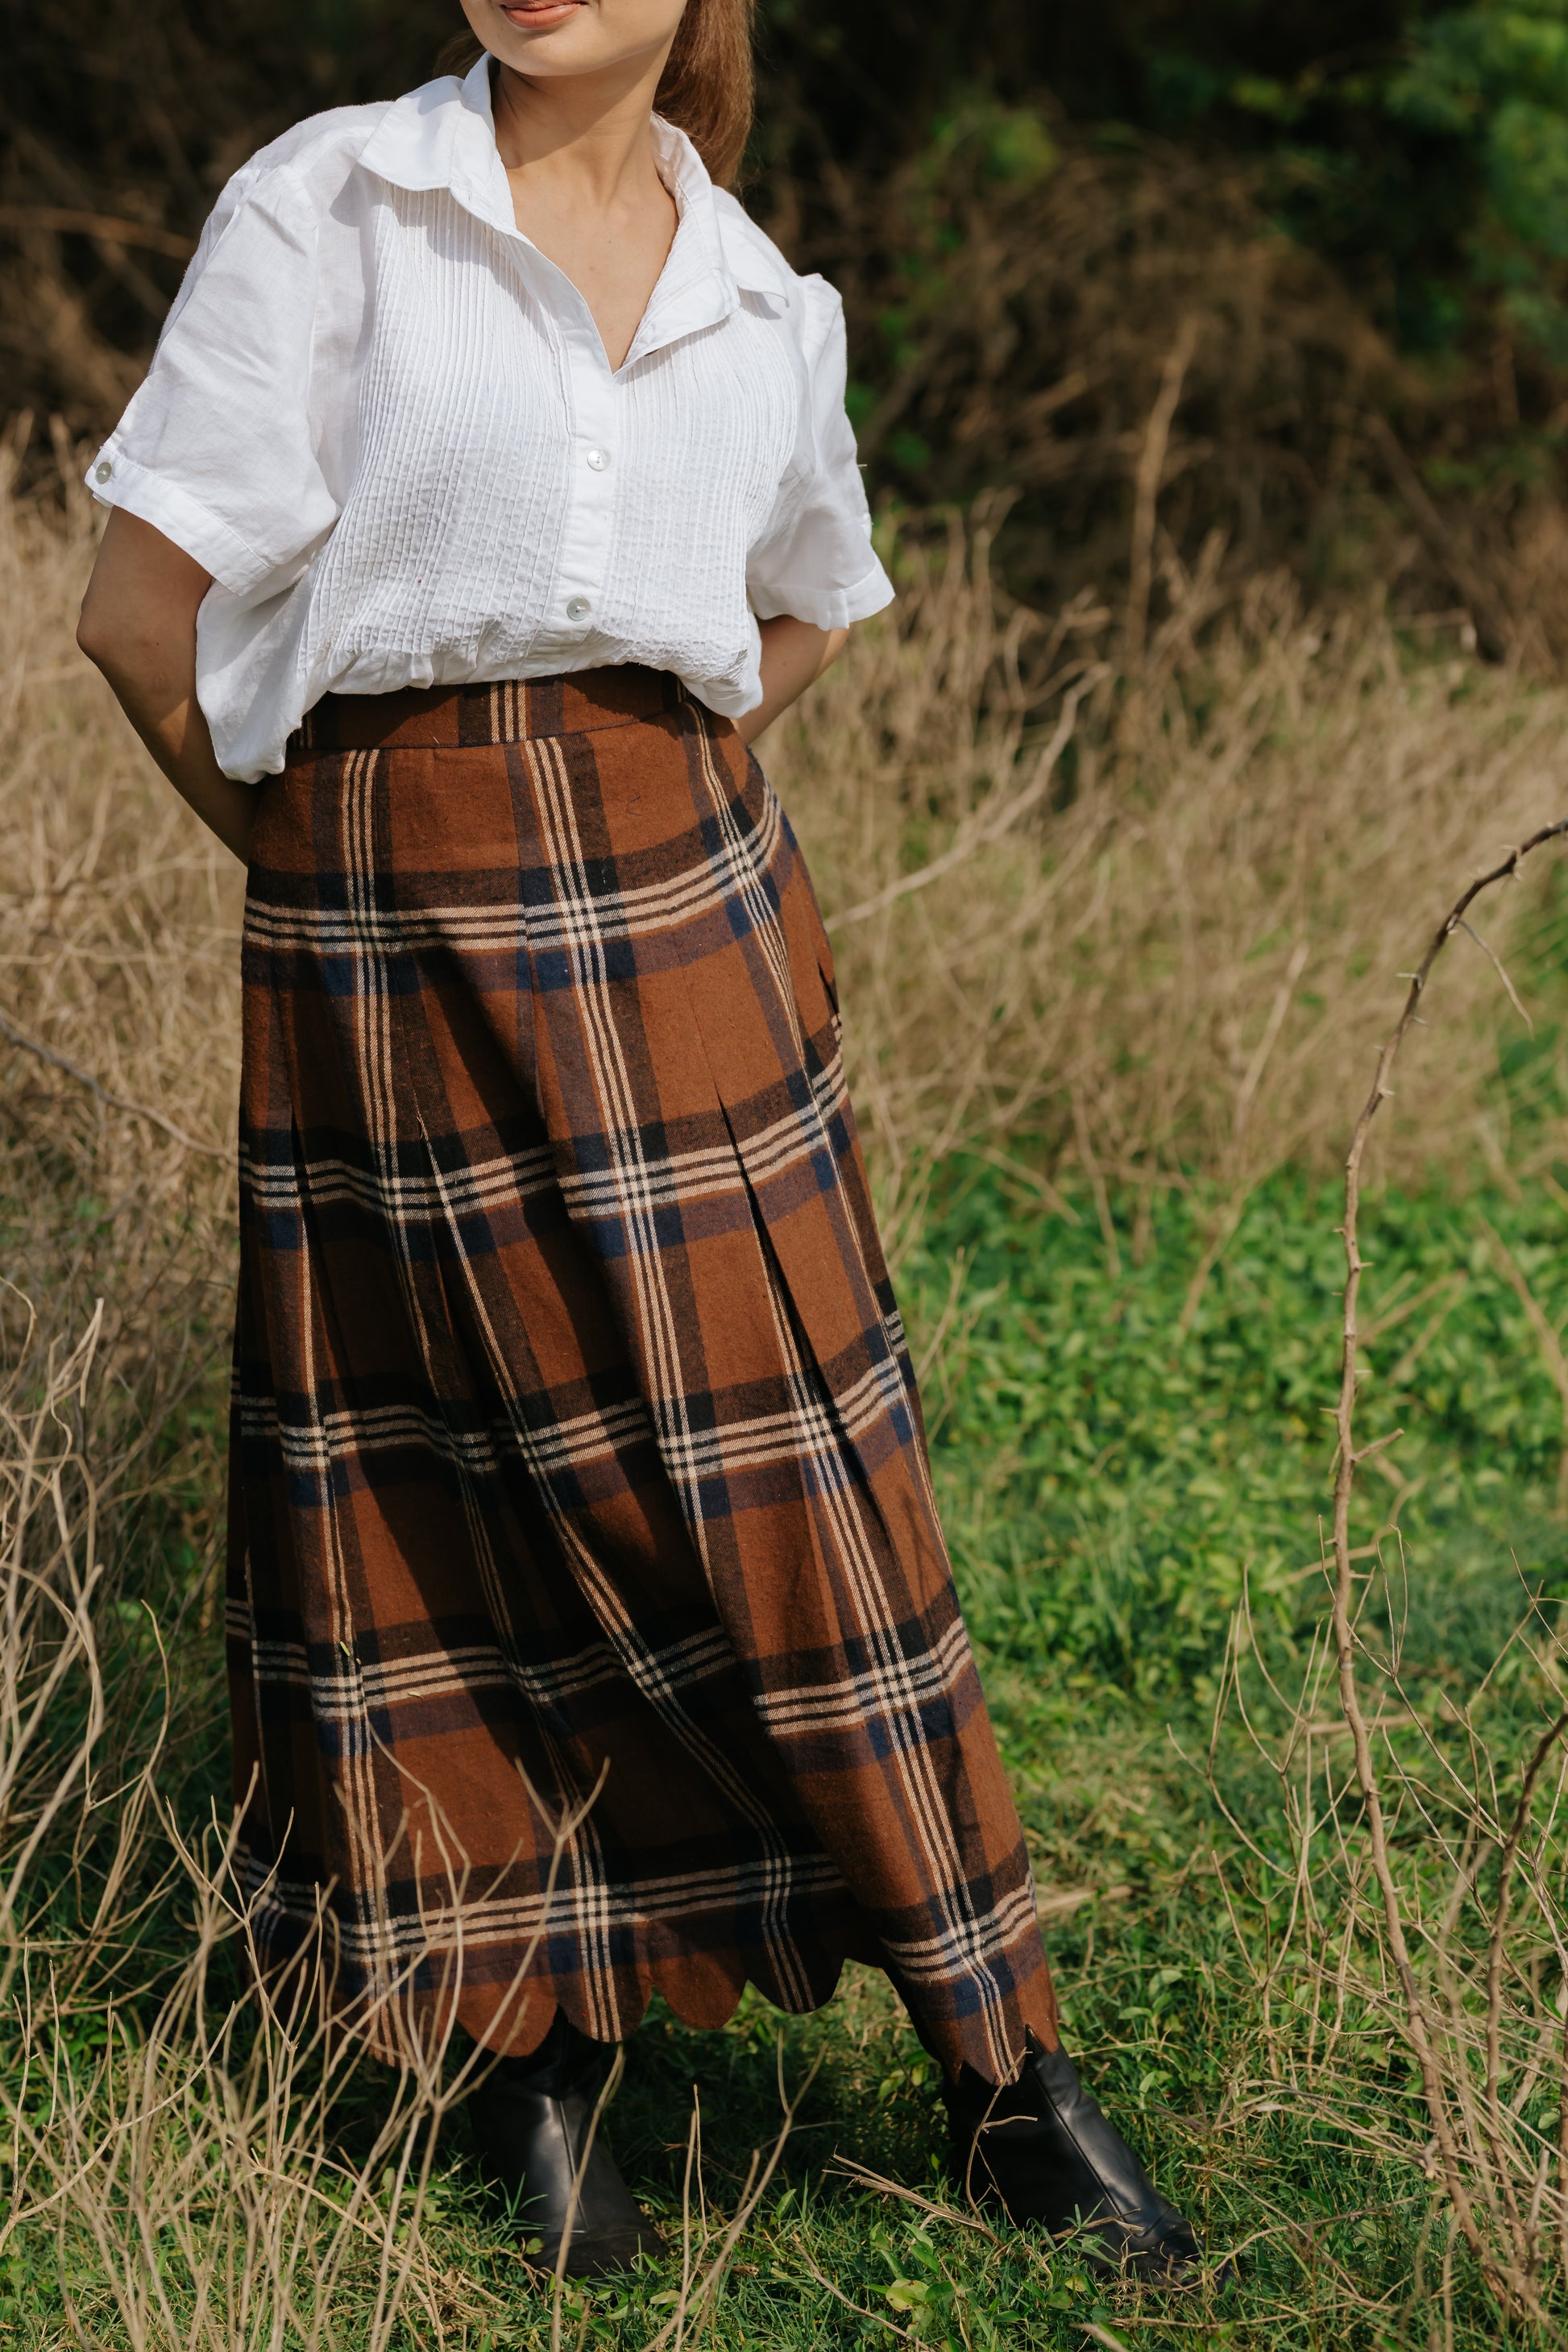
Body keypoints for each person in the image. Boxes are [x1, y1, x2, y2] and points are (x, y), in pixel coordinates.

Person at [77, 0, 1208, 2287]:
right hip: (384, 894)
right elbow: (136, 614)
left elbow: (808, 600)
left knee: (795, 1485)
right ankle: (526, 2056)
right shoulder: (333, 204)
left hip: (689, 907)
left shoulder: (764, 298)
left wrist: (651, 774)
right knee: (444, 1475)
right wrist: (332, 863)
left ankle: (999, 2063)